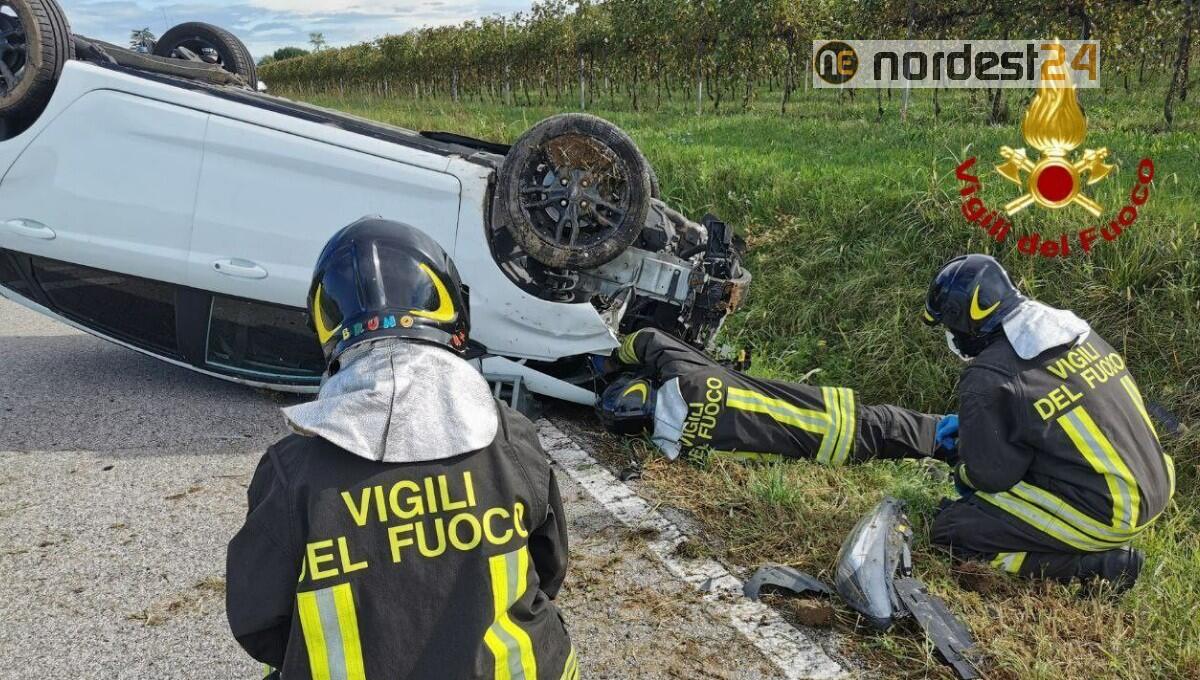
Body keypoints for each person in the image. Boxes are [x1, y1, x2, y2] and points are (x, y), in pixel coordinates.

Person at [226, 217, 578, 680]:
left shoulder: (291, 472)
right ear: (453, 310)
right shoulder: (510, 436)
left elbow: (258, 622)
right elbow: (549, 569)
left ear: (328, 330)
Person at [922, 254, 1174, 591]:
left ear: (963, 321)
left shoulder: (988, 376)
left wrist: (964, 465)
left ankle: (1097, 568)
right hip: (1155, 483)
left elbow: (992, 477)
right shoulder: (1072, 331)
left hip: (1105, 511)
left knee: (952, 530)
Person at [597, 326, 949, 467]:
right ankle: (961, 438)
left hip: (823, 454)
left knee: (891, 446)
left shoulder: (675, 448)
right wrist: (613, 362)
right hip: (828, 413)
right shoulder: (687, 378)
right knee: (907, 429)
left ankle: (950, 453)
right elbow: (647, 339)